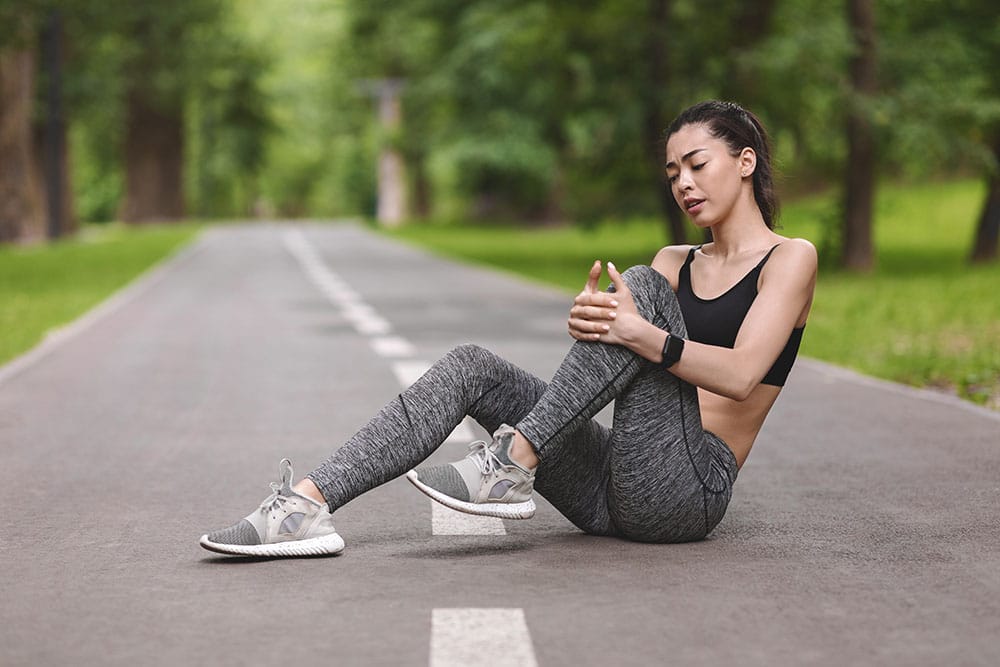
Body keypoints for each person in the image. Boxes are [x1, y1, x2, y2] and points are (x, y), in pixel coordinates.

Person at [199, 100, 817, 558]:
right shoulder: (674, 261)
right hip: (612, 481)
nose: (682, 182)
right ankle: (305, 505)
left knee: (643, 293)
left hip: (688, 494)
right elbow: (620, 373)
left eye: (696, 164)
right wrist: (599, 326)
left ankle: (512, 460)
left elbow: (739, 376)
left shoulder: (791, 258)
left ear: (744, 161)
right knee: (474, 366)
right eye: (671, 171)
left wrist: (638, 331)